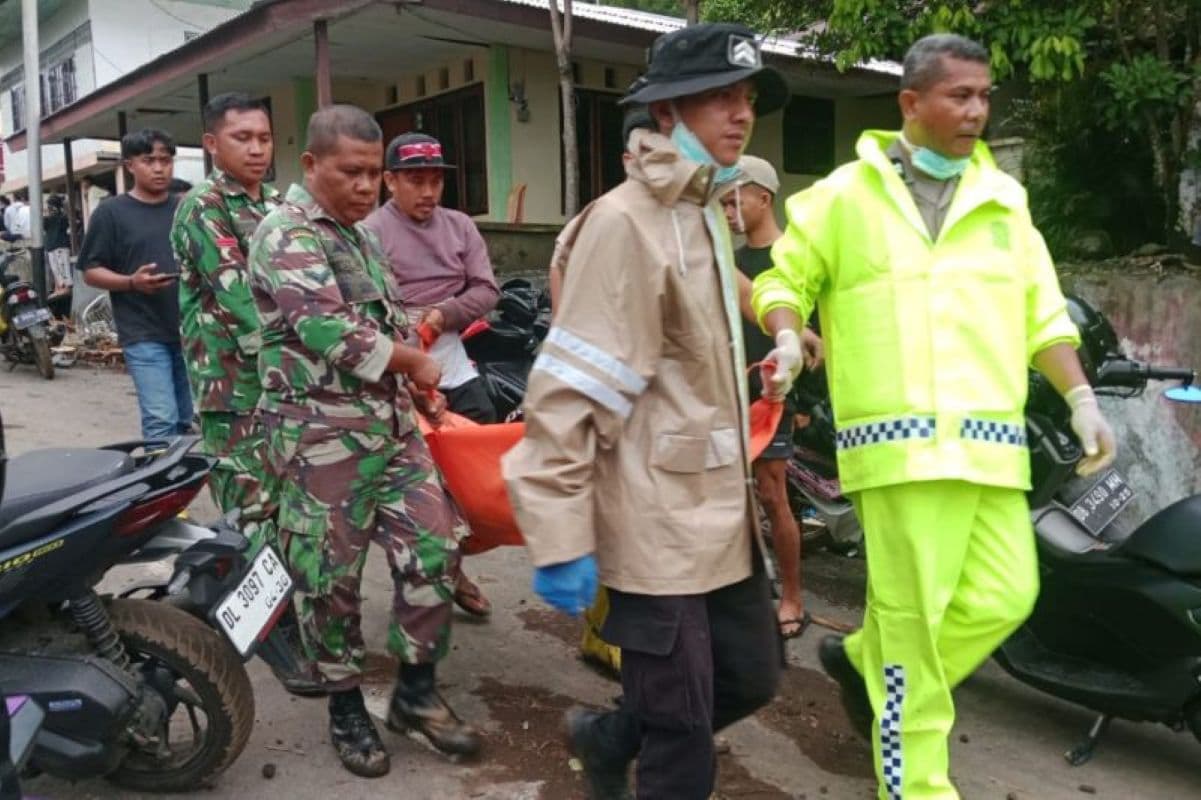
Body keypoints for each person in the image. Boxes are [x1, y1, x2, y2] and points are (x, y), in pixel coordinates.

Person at [752, 33, 1117, 800]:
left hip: (990, 445)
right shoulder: (842, 197)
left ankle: (867, 665)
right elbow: (782, 279)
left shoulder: (1003, 202)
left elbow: (1041, 314)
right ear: (910, 103)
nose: (976, 111)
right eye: (959, 95)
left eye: (984, 96)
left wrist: (1080, 397)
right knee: (912, 623)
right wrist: (786, 334)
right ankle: (914, 784)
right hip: (898, 449)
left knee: (1004, 596)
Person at [503, 23, 787, 799]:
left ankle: (606, 736)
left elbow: (728, 314)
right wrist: (560, 533)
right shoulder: (625, 223)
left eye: (747, 98)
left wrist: (787, 331)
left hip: (718, 513)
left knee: (753, 680)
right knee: (682, 737)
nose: (740, 114)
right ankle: (635, 744)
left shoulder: (700, 215)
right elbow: (571, 387)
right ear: (666, 112)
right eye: (719, 97)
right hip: (652, 515)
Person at [247, 104, 480, 778]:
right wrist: (416, 364)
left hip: (390, 430)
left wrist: (416, 386)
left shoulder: (362, 236)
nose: (365, 186)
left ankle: (414, 691)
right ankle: (345, 705)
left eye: (374, 173)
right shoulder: (284, 234)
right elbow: (329, 333)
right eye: (350, 172)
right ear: (312, 165)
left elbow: (389, 316)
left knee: (436, 546)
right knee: (330, 580)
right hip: (320, 441)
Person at [363, 131, 500, 619]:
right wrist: (408, 334)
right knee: (419, 487)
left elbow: (485, 290)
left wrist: (441, 315)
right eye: (415, 181)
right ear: (390, 180)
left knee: (475, 477)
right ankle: (435, 577)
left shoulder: (461, 227)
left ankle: (454, 564)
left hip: (454, 362)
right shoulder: (369, 232)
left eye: (434, 181)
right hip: (397, 370)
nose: (427, 192)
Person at [172, 92, 281, 551]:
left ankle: (287, 607)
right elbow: (237, 297)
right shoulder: (203, 205)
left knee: (285, 499)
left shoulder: (276, 204)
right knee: (248, 506)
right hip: (232, 383)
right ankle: (254, 619)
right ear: (212, 143)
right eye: (243, 138)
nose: (257, 149)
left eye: (265, 138)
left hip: (282, 378)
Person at [718, 155, 821, 640]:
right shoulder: (730, 262)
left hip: (777, 396)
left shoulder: (794, 259)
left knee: (772, 492)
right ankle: (742, 590)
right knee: (729, 497)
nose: (730, 209)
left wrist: (802, 404)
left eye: (735, 198)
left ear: (764, 196)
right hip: (728, 393)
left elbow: (814, 338)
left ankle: (793, 597)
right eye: (722, 202)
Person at [79, 129, 192, 440]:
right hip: (143, 334)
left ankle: (181, 484)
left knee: (187, 419)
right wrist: (131, 282)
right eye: (148, 161)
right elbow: (90, 270)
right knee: (161, 419)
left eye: (165, 161)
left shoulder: (185, 208)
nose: (159, 168)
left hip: (190, 331)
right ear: (130, 166)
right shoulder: (111, 212)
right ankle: (160, 485)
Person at [43, 195, 73, 319]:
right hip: (56, 246)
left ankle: (64, 290)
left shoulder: (57, 217)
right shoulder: (61, 217)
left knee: (61, 272)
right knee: (59, 271)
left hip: (57, 246)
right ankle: (62, 289)